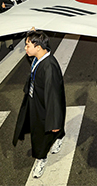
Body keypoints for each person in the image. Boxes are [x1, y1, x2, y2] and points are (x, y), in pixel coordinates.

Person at [13, 30, 66, 179]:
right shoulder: (40, 57)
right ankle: (59, 135)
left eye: (28, 45)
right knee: (38, 128)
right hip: (34, 99)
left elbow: (53, 97)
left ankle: (41, 158)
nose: (25, 48)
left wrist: (54, 120)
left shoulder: (49, 67)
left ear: (38, 47)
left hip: (44, 106)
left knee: (39, 135)